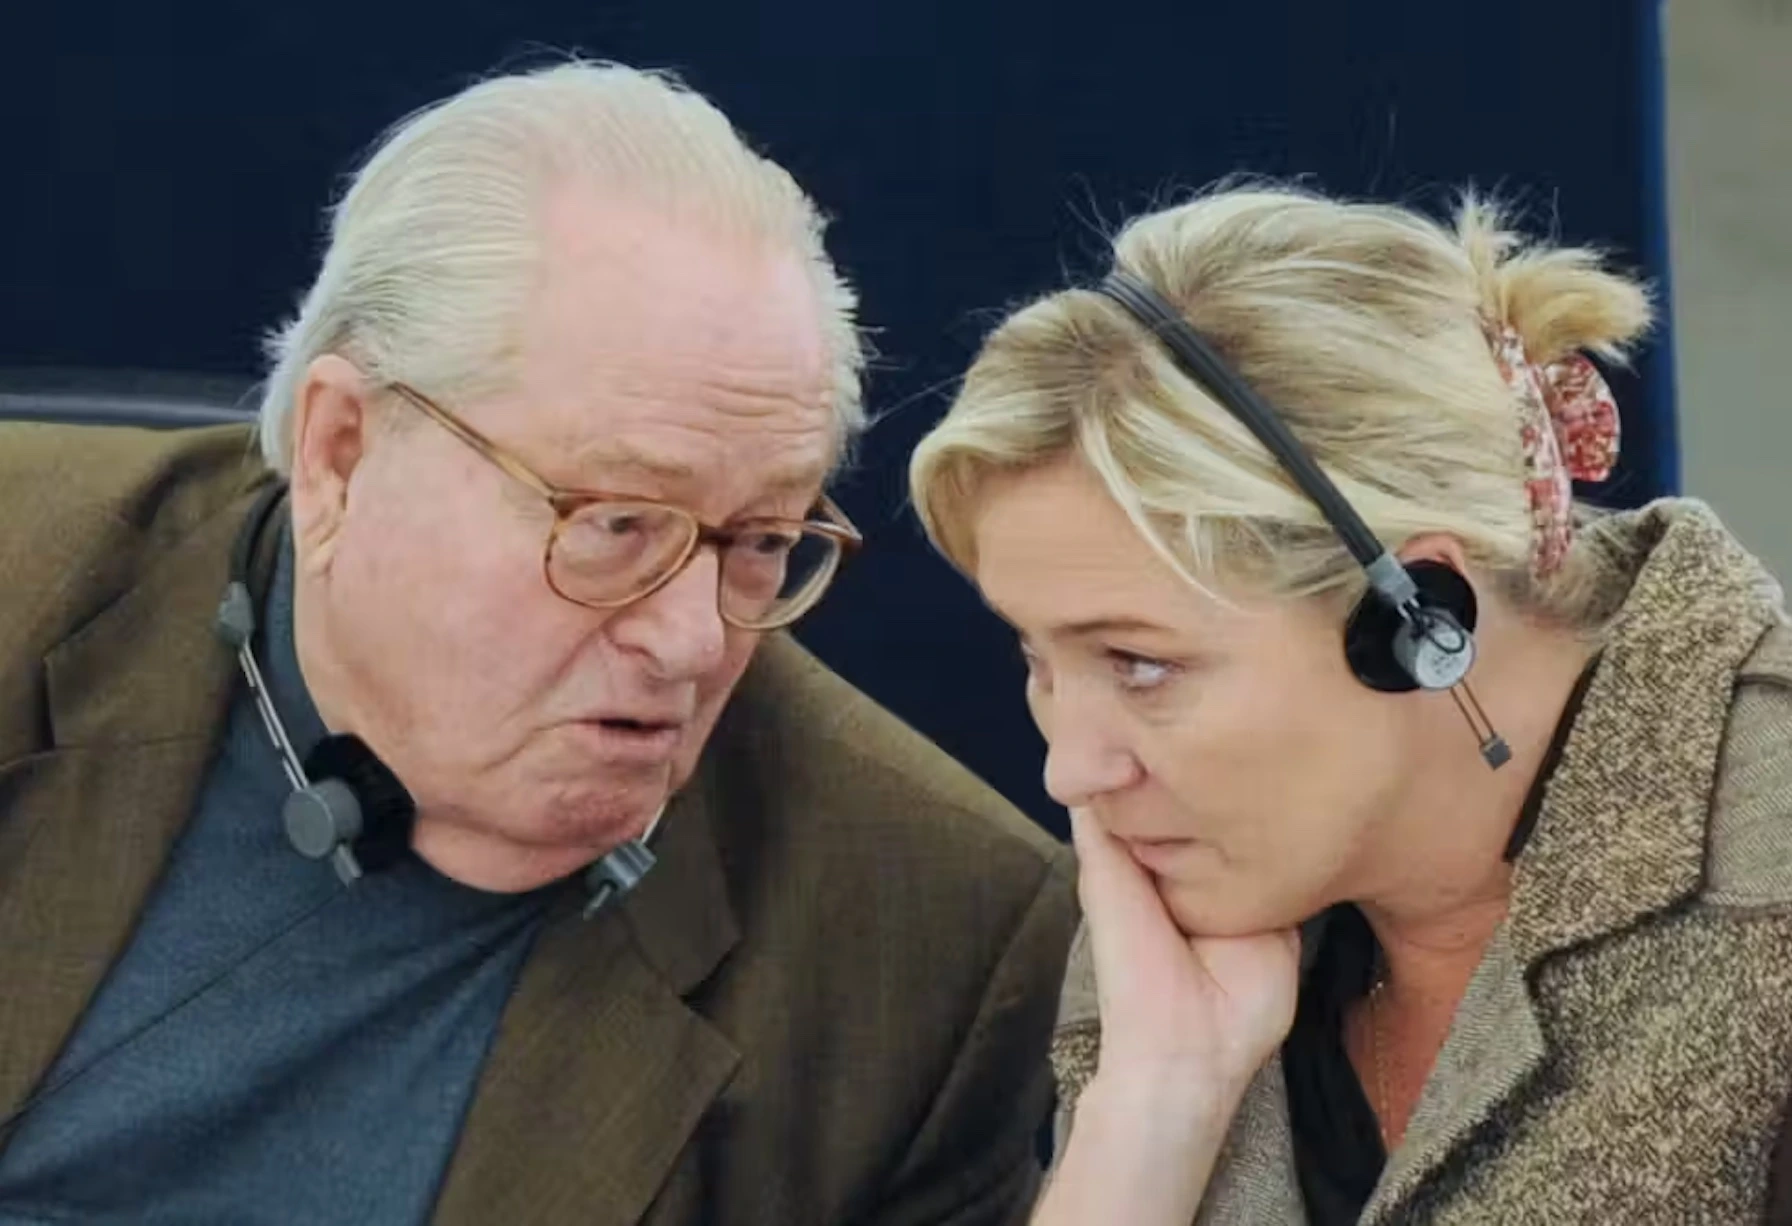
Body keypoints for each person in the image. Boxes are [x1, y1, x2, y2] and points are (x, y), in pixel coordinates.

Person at [905, 182, 1792, 1223]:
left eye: (1138, 665)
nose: (1072, 767)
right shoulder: (1181, 903)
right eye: (1037, 660)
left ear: (1416, 619)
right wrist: (1152, 1107)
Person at [0, 61, 1075, 1225]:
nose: (689, 640)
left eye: (758, 541)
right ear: (339, 455)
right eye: (613, 524)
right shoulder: (28, 572)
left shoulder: (926, 943)